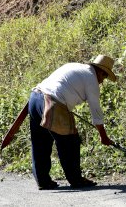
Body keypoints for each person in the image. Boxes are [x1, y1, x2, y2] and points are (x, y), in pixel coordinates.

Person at [28, 54, 116, 190]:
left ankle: (43, 180)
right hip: (52, 102)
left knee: (41, 142)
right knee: (70, 141)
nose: (102, 81)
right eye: (104, 76)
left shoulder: (73, 66)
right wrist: (103, 136)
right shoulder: (91, 79)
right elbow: (96, 112)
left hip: (34, 99)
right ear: (99, 71)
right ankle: (76, 179)